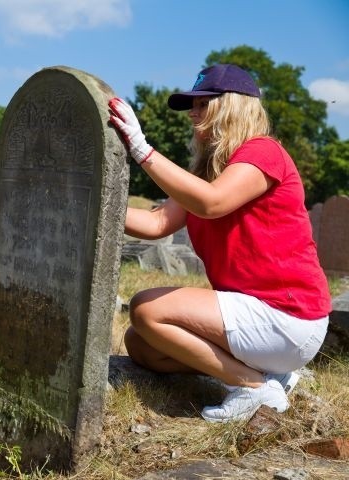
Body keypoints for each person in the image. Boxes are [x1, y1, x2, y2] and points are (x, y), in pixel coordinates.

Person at [107, 64, 331, 423]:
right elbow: (156, 222)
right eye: (190, 106)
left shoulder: (264, 152)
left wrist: (142, 149)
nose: (193, 113)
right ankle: (266, 373)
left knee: (147, 309)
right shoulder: (207, 170)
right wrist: (90, 207)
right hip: (256, 318)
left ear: (233, 105)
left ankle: (255, 389)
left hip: (288, 315)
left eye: (202, 103)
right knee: (142, 345)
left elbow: (212, 203)